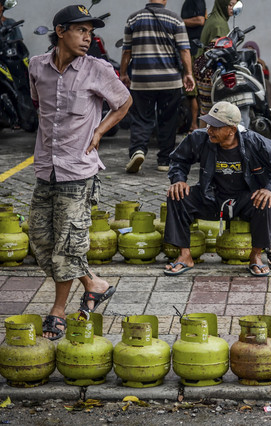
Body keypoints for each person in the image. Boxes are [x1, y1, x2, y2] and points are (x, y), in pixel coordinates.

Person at [28, 5, 132, 340]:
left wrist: (100, 131)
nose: (88, 38)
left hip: (78, 170)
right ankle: (94, 284)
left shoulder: (98, 70)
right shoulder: (36, 67)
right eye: (80, 31)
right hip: (46, 167)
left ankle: (57, 310)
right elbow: (38, 106)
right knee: (42, 240)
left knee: (68, 246)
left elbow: (124, 102)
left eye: (90, 32)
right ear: (60, 32)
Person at [163, 101, 271, 276]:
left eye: (216, 126)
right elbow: (178, 159)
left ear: (232, 129)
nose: (210, 129)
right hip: (211, 196)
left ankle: (256, 256)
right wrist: (178, 180)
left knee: (266, 200)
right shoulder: (200, 137)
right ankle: (185, 255)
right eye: (209, 124)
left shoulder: (254, 141)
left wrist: (270, 189)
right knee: (177, 196)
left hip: (246, 199)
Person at [121, 0, 195, 174]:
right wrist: (188, 73)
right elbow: (184, 50)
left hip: (141, 80)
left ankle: (138, 151)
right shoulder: (176, 19)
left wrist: (124, 73)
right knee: (168, 120)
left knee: (140, 118)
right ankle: (165, 160)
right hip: (170, 80)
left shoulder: (133, 19)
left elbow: (126, 51)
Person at [194, 0, 235, 115]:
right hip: (208, 70)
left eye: (234, 5)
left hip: (203, 67)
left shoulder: (215, 18)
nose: (232, 8)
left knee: (206, 110)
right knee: (211, 111)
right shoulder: (219, 24)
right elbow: (218, 51)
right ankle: (205, 133)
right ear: (222, 4)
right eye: (230, 5)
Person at [180, 0, 207, 132]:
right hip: (189, 50)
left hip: (194, 51)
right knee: (191, 93)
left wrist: (180, 21)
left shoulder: (198, 1)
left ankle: (194, 125)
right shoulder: (189, 2)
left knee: (193, 92)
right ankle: (194, 124)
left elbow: (201, 20)